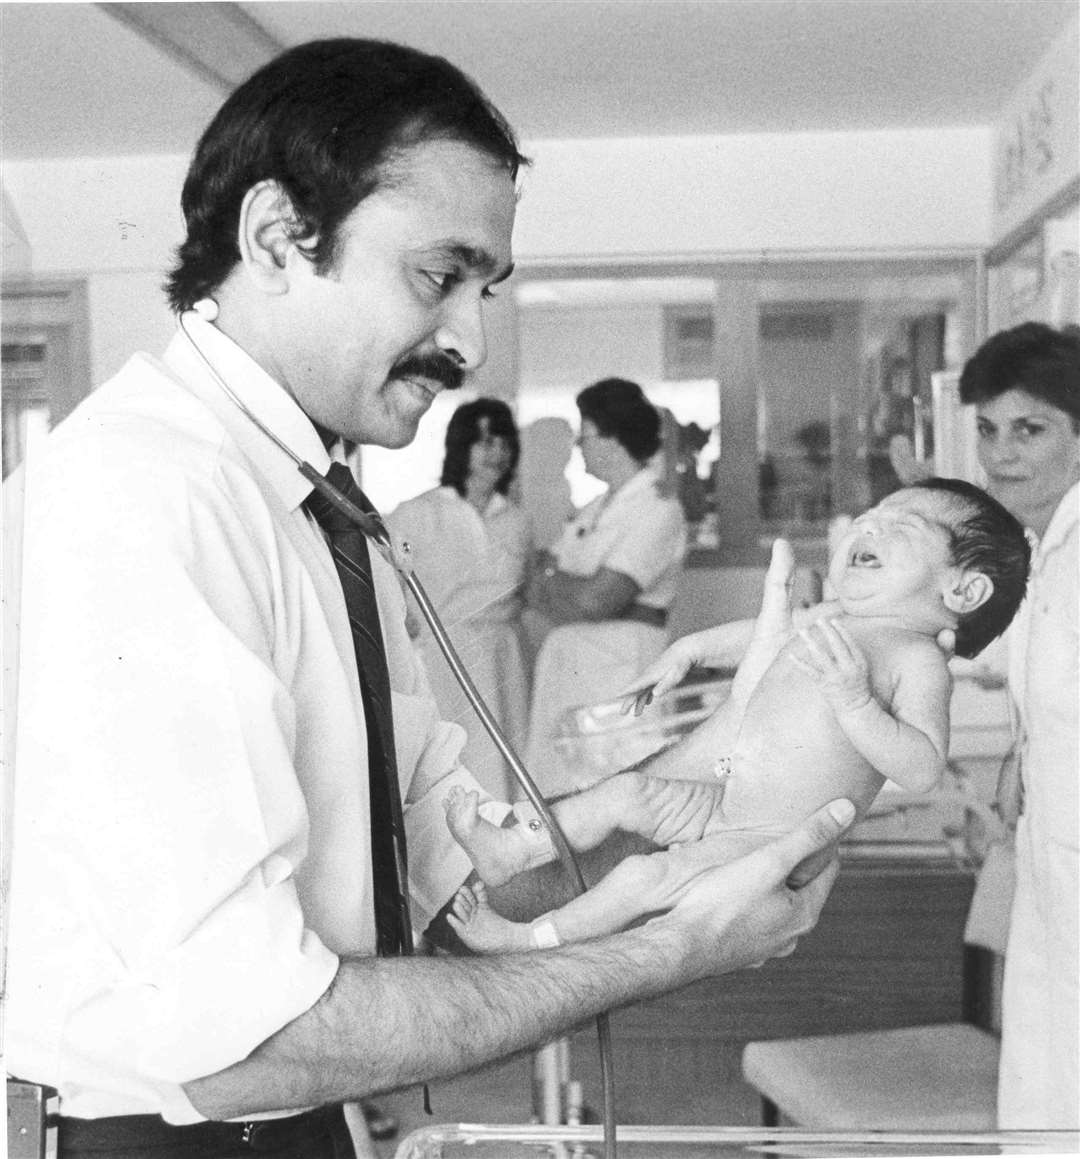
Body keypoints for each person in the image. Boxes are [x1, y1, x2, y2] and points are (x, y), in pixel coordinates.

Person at [5, 38, 854, 1158]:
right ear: (276, 237)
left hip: (310, 1111)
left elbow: (456, 888)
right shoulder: (146, 495)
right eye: (437, 274)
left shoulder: (319, 504)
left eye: (485, 287)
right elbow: (236, 1041)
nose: (470, 339)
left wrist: (719, 769)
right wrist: (668, 951)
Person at [445, 479, 1030, 952]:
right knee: (625, 793)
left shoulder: (916, 659)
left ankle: (528, 939)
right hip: (722, 798)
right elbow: (756, 639)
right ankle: (515, 850)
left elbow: (923, 768)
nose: (870, 524)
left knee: (641, 879)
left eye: (903, 525)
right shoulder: (833, 617)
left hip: (764, 833)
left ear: (963, 591)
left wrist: (855, 701)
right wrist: (690, 650)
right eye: (873, 513)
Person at [958, 321, 1079, 1130]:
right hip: (1051, 853)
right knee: (1051, 1084)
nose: (1002, 454)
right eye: (989, 430)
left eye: (1029, 429)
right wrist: (1017, 760)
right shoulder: (1046, 550)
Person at [524, 377, 687, 793]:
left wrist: (554, 580)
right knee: (558, 791)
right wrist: (561, 584)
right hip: (571, 663)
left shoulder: (658, 508)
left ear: (613, 440)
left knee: (617, 789)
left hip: (623, 664)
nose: (579, 445)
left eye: (587, 434)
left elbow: (600, 600)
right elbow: (536, 586)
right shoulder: (594, 509)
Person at [386, 397, 531, 801]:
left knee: (507, 763)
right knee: (453, 762)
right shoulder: (419, 512)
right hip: (442, 655)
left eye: (504, 443)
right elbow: (388, 583)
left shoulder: (517, 519)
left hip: (503, 654)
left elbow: (525, 589)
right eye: (485, 441)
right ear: (461, 446)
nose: (496, 453)